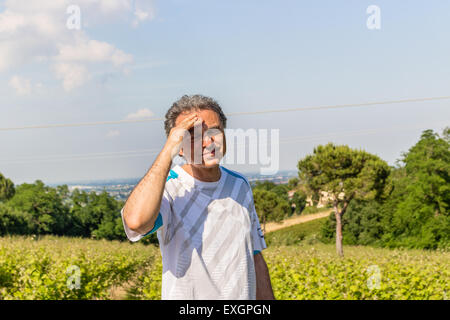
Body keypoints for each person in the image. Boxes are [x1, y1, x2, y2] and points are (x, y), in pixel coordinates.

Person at [121, 94, 274, 300]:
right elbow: (136, 222)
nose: (208, 141)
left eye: (215, 131)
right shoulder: (169, 187)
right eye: (194, 135)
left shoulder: (240, 185)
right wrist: (167, 151)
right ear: (179, 147)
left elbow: (254, 255)